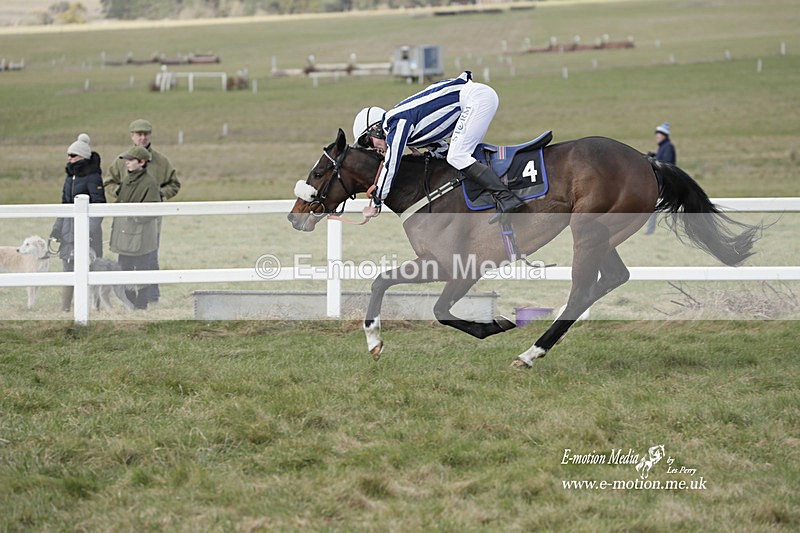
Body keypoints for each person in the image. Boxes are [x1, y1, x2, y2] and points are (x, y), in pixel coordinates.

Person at [353, 71, 524, 224]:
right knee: (459, 155)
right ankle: (495, 197)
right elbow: (442, 151)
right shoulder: (408, 132)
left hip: (476, 98)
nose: (373, 149)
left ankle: (507, 198)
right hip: (477, 98)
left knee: (458, 156)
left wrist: (377, 201)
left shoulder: (394, 122)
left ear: (375, 129)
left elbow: (392, 164)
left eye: (368, 142)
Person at [105, 119, 181, 304]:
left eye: (146, 134)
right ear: (132, 136)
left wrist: (159, 196)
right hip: (126, 220)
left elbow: (174, 184)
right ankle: (126, 296)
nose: (142, 137)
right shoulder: (121, 161)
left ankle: (151, 296)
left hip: (150, 220)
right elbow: (108, 182)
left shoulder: (161, 162)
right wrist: (121, 193)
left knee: (150, 257)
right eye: (138, 134)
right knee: (125, 258)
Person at [49, 133, 107, 312]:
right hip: (68, 232)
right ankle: (65, 308)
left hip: (88, 233)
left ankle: (95, 307)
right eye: (68, 155)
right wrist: (56, 230)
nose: (69, 158)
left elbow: (99, 206)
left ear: (83, 156)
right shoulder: (69, 177)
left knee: (92, 268)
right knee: (68, 268)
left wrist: (88, 231)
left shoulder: (93, 177)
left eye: (73, 155)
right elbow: (65, 205)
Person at [109, 146, 161, 310]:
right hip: (125, 234)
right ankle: (129, 302)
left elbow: (153, 209)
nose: (127, 164)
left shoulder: (149, 182)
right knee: (124, 268)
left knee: (142, 269)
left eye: (131, 160)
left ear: (142, 162)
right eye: (127, 160)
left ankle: (141, 304)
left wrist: (133, 216)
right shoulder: (127, 179)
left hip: (141, 236)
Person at [645, 121, 677, 234]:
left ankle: (650, 230)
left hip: (666, 182)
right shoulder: (664, 146)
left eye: (659, 134)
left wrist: (653, 160)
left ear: (664, 135)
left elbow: (666, 164)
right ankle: (650, 230)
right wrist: (654, 156)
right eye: (657, 134)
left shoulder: (668, 147)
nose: (657, 136)